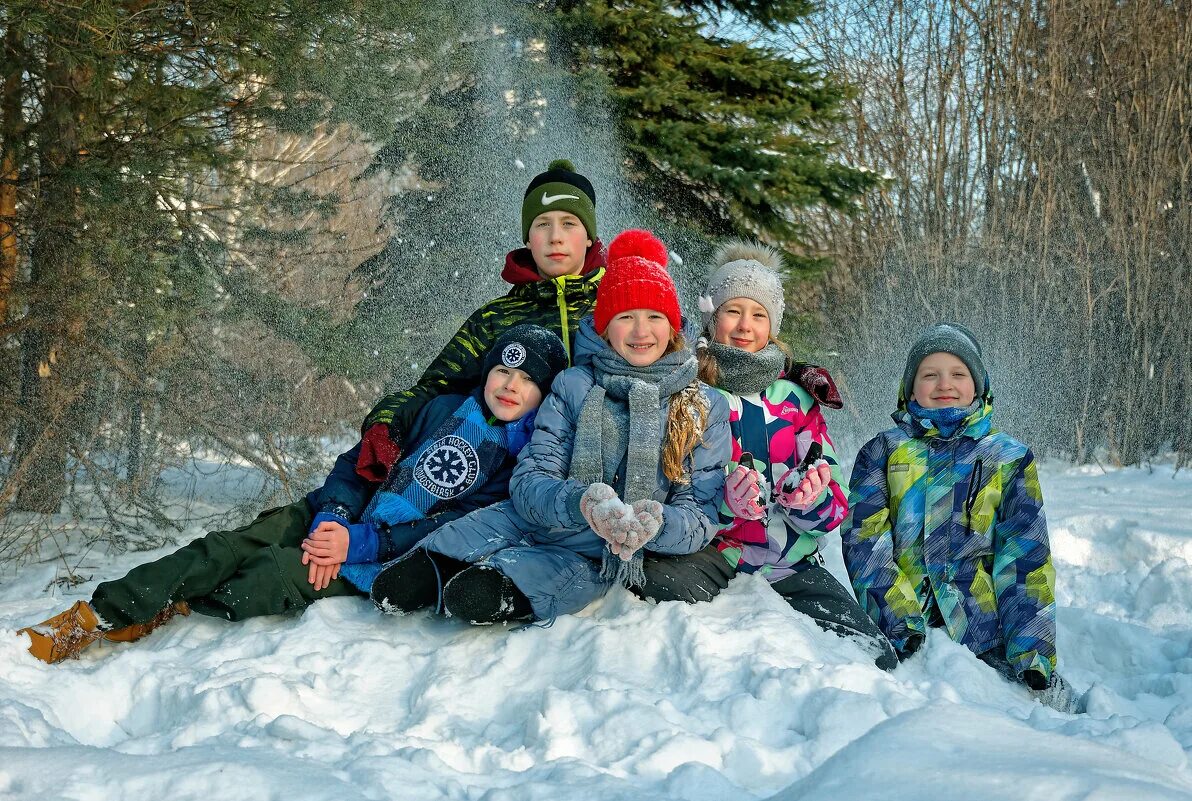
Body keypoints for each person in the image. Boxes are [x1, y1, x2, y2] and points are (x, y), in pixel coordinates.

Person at [19, 325, 568, 663]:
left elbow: (447, 527)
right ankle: (96, 615)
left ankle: (177, 607)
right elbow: (359, 465)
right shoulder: (439, 410)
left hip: (376, 558)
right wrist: (332, 514)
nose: (508, 386)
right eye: (501, 370)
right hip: (330, 515)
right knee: (225, 548)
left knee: (266, 579)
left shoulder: (517, 467)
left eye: (526, 381)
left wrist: (355, 544)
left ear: (543, 396)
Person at [366, 229, 732, 624]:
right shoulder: (574, 385)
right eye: (625, 316)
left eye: (654, 317)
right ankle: (436, 566)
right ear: (605, 326)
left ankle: (500, 586)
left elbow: (700, 513)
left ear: (673, 325)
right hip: (540, 514)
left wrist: (656, 525)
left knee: (497, 589)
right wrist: (581, 502)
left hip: (600, 548)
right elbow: (531, 477)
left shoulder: (701, 405)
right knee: (426, 566)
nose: (641, 332)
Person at [841, 323, 1084, 711]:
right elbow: (865, 543)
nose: (944, 384)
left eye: (958, 373)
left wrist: (1031, 651)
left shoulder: (1008, 458)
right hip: (905, 629)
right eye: (929, 374)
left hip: (983, 630)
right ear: (910, 387)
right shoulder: (884, 452)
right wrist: (899, 621)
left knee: (1038, 716)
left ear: (979, 384)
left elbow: (1024, 557)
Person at [683, 241, 897, 669]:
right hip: (715, 556)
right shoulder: (691, 391)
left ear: (773, 325)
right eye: (733, 310)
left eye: (759, 314)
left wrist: (810, 499)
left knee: (876, 658)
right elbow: (675, 486)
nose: (745, 325)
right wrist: (726, 504)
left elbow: (834, 501)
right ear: (712, 317)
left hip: (789, 563)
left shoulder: (798, 400)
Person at [356, 159, 605, 484]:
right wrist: (387, 422)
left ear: (589, 236)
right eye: (542, 224)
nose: (555, 237)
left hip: (604, 468)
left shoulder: (617, 305)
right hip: (513, 476)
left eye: (569, 223)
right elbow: (437, 388)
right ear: (528, 238)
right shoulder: (495, 317)